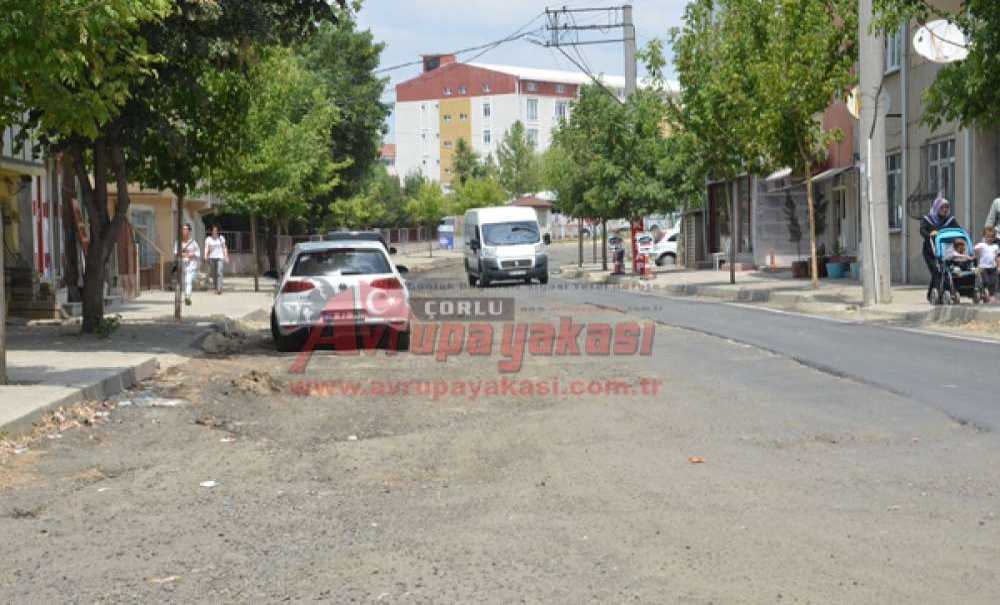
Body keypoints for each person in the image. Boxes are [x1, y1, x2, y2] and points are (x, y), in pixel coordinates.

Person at [919, 196, 959, 302]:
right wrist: (930, 234)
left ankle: (937, 293)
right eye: (942, 207)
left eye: (947, 207)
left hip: (945, 250)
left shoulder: (950, 220)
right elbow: (922, 231)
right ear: (936, 208)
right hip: (930, 251)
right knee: (936, 271)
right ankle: (936, 293)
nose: (945, 210)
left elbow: (958, 230)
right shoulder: (927, 219)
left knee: (945, 271)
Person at [176, 223, 200, 306]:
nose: (184, 231)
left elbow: (198, 253)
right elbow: (176, 252)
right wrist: (186, 254)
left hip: (191, 266)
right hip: (182, 266)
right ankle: (186, 295)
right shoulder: (178, 242)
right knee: (184, 282)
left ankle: (187, 297)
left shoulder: (193, 242)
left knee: (188, 281)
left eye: (186, 229)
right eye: (183, 229)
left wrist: (192, 254)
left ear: (189, 231)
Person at [975, 225, 999, 303]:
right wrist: (976, 251)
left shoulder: (995, 246)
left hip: (993, 267)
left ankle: (991, 295)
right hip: (983, 267)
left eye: (992, 237)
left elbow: (997, 257)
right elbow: (975, 249)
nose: (990, 238)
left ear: (994, 237)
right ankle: (984, 291)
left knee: (993, 282)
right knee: (986, 281)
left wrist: (998, 266)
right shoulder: (982, 245)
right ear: (984, 236)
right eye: (988, 237)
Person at [204, 225, 229, 295]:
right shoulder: (208, 239)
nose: (215, 232)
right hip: (212, 257)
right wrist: (205, 256)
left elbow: (224, 247)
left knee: (219, 272)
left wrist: (226, 256)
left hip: (220, 257)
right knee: (214, 274)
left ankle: (219, 288)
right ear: (211, 231)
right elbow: (206, 248)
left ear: (218, 231)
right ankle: (215, 287)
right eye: (213, 230)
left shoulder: (221, 238)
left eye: (216, 230)